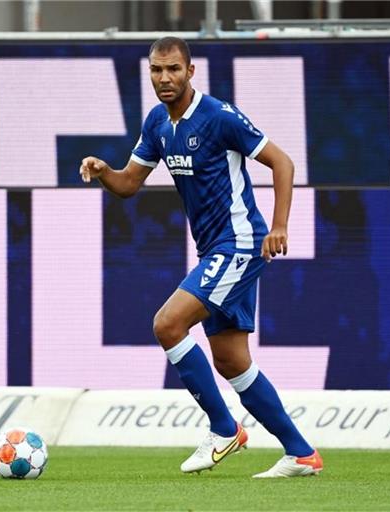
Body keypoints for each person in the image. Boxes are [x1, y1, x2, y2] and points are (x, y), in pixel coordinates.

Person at [79, 36, 322, 478]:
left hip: (241, 243)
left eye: (173, 69)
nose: (164, 78)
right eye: (157, 70)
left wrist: (280, 225)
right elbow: (130, 183)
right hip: (214, 248)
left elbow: (282, 163)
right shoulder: (157, 123)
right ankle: (301, 453)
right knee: (230, 360)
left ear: (191, 72)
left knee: (167, 323)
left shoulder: (218, 116)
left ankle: (224, 428)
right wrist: (103, 172)